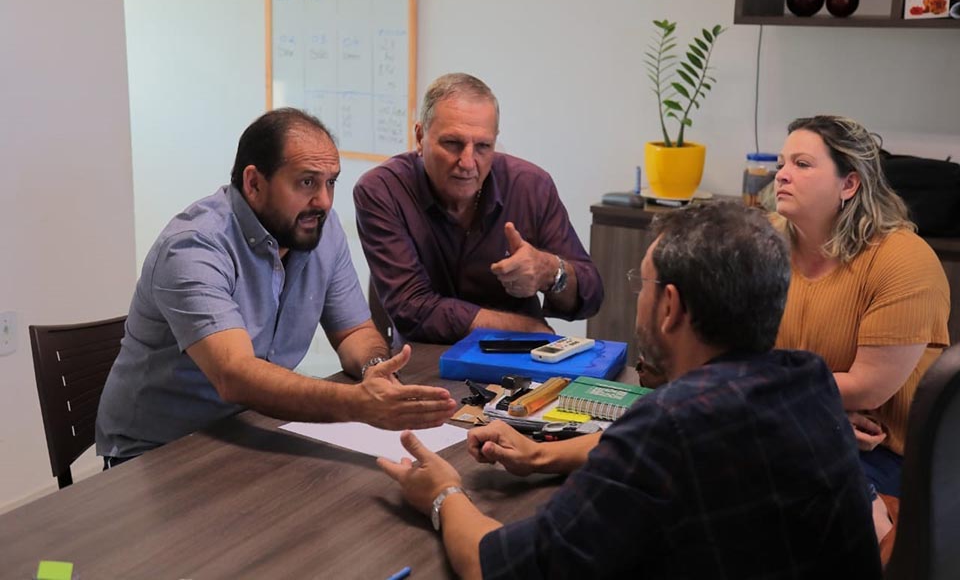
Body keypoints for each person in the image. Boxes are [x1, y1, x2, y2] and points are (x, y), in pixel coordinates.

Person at [377, 201, 881, 579]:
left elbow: (498, 566)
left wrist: (442, 494)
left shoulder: (666, 429)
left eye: (642, 285)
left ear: (671, 307)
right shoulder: (808, 382)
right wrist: (540, 457)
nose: (639, 299)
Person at [96, 108, 455, 464]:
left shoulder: (319, 231)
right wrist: (358, 404)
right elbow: (234, 375)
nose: (325, 202)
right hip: (157, 452)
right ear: (254, 183)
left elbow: (354, 332)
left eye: (331, 182)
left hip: (250, 427)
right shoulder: (193, 246)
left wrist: (375, 370)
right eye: (307, 182)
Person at [772, 115, 950, 500]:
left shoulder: (903, 260)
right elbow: (730, 350)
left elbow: (866, 390)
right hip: (787, 420)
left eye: (801, 164)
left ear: (849, 183)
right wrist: (811, 411)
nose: (782, 175)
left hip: (883, 451)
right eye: (781, 164)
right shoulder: (764, 240)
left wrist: (759, 391)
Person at [353, 73, 603, 343]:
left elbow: (591, 296)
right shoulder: (382, 190)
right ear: (420, 136)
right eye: (452, 143)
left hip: (516, 360)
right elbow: (413, 310)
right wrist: (524, 329)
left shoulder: (530, 186)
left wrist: (550, 271)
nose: (468, 162)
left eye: (483, 146)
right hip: (424, 361)